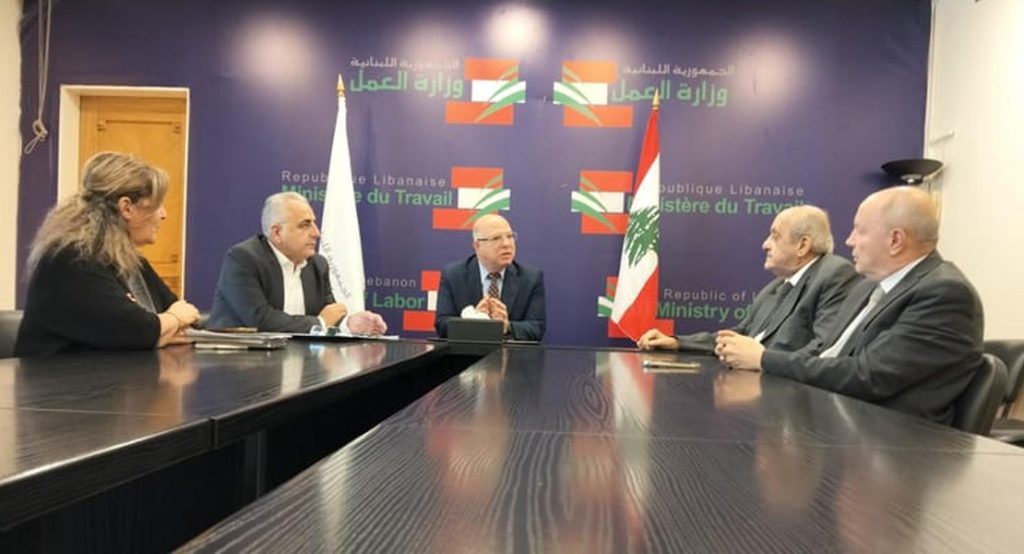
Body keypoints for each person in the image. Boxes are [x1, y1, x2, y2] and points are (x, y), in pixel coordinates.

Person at [717, 186, 985, 425]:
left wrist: (764, 359)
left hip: (888, 442)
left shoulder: (944, 293)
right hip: (831, 417)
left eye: (860, 230)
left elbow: (867, 376)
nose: (849, 241)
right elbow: (824, 352)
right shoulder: (866, 287)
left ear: (895, 240)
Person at [15, 152, 200, 356]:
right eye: (157, 205)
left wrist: (166, 325)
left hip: (118, 374)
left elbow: (182, 319)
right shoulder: (73, 260)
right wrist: (173, 319)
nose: (163, 214)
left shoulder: (133, 261)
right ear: (126, 208)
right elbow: (140, 331)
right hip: (61, 376)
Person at [638, 205, 858, 354]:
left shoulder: (834, 273)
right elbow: (741, 334)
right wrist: (677, 343)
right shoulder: (776, 287)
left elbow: (823, 350)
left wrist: (761, 359)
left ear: (802, 245)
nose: (765, 244)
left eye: (775, 236)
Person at [207, 192, 386, 334]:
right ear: (277, 233)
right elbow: (259, 320)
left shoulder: (317, 264)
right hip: (241, 362)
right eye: (305, 225)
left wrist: (350, 324)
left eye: (314, 223)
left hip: (298, 361)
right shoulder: (243, 258)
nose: (316, 233)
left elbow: (330, 313)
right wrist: (319, 322)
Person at [434, 214, 545, 341]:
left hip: (512, 353)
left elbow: (537, 328)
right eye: (496, 238)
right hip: (467, 352)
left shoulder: (530, 278)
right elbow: (442, 325)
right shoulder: (453, 275)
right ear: (477, 246)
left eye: (510, 236)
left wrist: (507, 326)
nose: (506, 244)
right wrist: (472, 322)